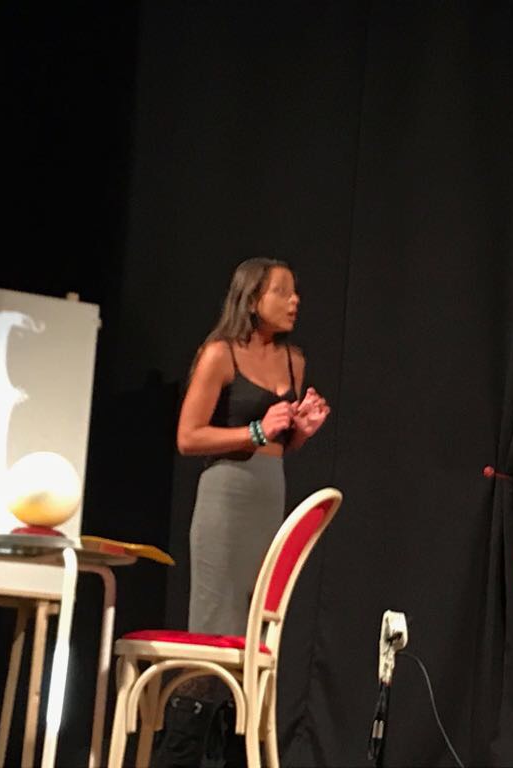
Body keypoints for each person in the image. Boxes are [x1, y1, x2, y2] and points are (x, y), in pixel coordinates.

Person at [158, 257, 330, 766]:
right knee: (213, 632)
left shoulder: (294, 361)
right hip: (225, 502)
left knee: (254, 635)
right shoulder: (221, 353)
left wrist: (299, 432)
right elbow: (188, 437)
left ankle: (238, 751)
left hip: (268, 498)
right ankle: (180, 754)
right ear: (253, 299)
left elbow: (279, 444)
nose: (295, 300)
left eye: (295, 291)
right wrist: (256, 430)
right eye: (283, 291)